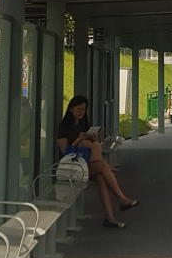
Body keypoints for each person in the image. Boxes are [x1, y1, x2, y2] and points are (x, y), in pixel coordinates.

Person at [57, 96, 139, 228]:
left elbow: (92, 145)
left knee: (101, 178)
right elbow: (66, 153)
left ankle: (110, 218)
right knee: (102, 167)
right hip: (71, 168)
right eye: (79, 109)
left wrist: (94, 138)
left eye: (84, 109)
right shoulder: (64, 128)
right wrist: (79, 139)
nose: (81, 112)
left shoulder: (83, 124)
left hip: (84, 163)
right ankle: (122, 199)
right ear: (71, 109)